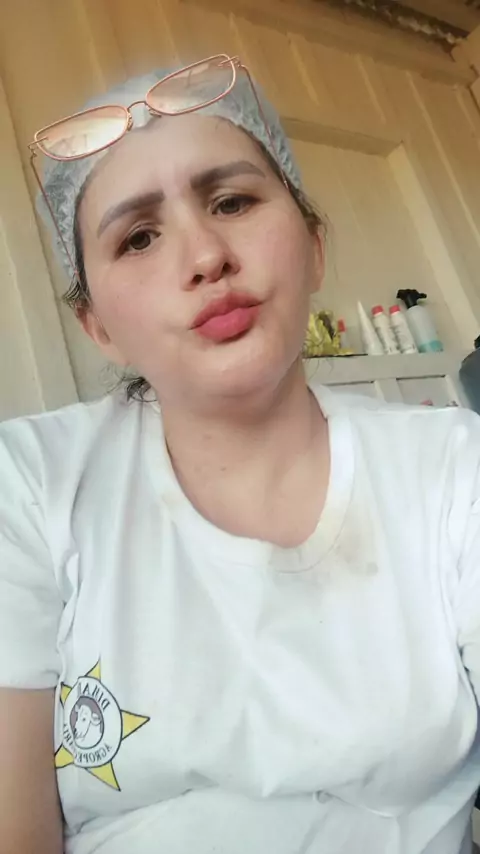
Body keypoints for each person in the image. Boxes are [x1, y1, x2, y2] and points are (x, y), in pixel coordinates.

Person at [0, 54, 479, 854]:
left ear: (314, 247)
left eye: (232, 201)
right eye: (139, 237)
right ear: (99, 327)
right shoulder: (28, 484)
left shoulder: (454, 469)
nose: (205, 256)